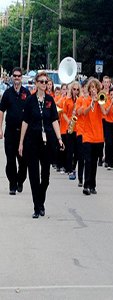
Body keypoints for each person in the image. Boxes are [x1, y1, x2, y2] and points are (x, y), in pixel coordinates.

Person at [17, 72, 64, 218]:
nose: (44, 84)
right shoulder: (30, 100)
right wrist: (21, 142)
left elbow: (54, 120)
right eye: (42, 81)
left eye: (46, 82)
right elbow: (25, 122)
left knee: (46, 176)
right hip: (32, 140)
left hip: (47, 141)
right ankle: (37, 207)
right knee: (33, 175)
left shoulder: (50, 100)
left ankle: (41, 199)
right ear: (36, 83)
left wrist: (59, 138)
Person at [0, 67, 30, 195]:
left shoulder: (27, 93)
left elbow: (30, 113)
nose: (16, 78)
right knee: (10, 160)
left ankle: (20, 180)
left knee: (23, 162)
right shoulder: (7, 93)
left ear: (21, 77)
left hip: (23, 134)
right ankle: (12, 184)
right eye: (15, 76)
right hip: (10, 132)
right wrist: (0, 128)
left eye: (18, 76)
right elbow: (1, 111)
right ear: (12, 77)